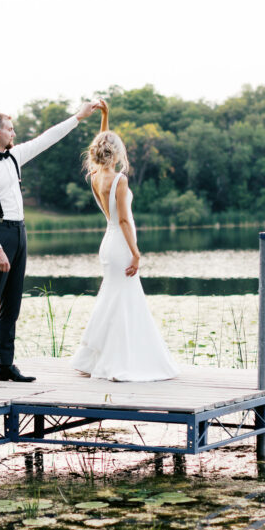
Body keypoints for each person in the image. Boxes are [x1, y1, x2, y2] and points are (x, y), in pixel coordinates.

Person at [0, 101, 101, 385]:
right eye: (10, 129)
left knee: (12, 304)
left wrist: (78, 116)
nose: (14, 134)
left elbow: (46, 139)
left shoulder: (14, 157)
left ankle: (5, 365)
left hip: (19, 232)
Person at [70, 102, 179, 381]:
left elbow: (102, 141)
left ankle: (92, 358)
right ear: (115, 153)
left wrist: (105, 116)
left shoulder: (95, 176)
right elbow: (124, 221)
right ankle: (117, 361)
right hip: (120, 245)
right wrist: (137, 253)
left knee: (113, 297)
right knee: (125, 300)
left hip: (107, 244)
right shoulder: (119, 180)